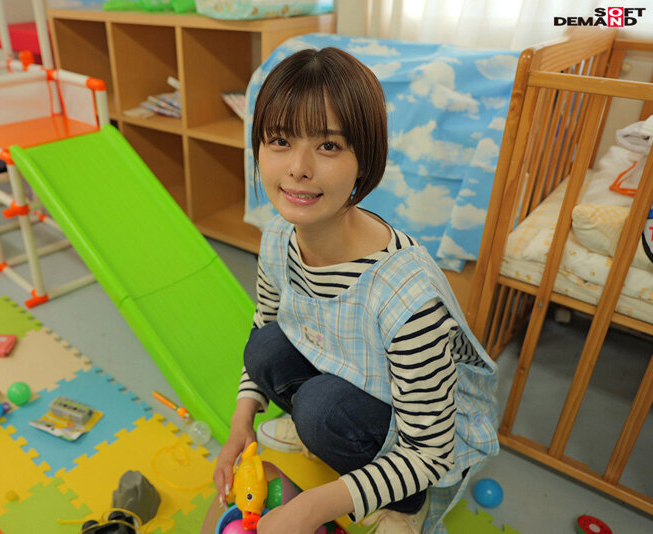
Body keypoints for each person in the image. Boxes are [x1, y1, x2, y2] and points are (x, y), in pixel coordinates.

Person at [212, 47, 499, 534]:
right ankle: (320, 430)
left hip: (421, 434)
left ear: (364, 160)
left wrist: (311, 508)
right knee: (264, 347)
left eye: (328, 146)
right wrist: (241, 422)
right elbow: (265, 323)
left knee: (322, 409)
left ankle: (408, 505)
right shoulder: (277, 237)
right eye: (279, 140)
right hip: (344, 366)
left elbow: (430, 450)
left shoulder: (407, 296)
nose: (298, 167)